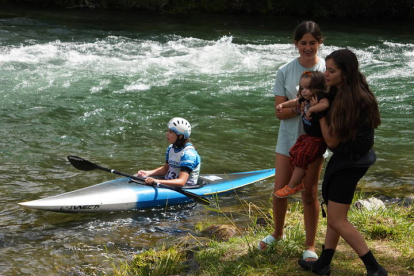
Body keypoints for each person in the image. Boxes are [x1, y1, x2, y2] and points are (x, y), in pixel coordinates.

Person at [298, 49, 387, 276]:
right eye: (326, 69)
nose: (325, 74)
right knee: (335, 213)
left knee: (338, 220)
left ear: (345, 74)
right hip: (356, 157)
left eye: (331, 70)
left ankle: (374, 268)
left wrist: (319, 115)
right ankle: (324, 264)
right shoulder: (351, 89)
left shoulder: (346, 102)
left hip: (350, 161)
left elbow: (332, 143)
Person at [258, 21, 325, 263]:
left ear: (320, 42)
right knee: (280, 191)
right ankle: (277, 233)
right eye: (303, 43)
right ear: (295, 44)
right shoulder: (285, 70)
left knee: (309, 194)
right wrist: (302, 107)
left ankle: (310, 246)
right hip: (287, 139)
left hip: (316, 142)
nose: (308, 48)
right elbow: (279, 112)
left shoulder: (328, 69)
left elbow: (335, 106)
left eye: (312, 43)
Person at [274, 71, 329, 198]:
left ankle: (292, 186)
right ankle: (297, 183)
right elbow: (295, 101)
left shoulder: (320, 97)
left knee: (302, 157)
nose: (304, 91)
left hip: (317, 139)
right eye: (302, 87)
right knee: (294, 152)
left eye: (308, 88)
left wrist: (311, 109)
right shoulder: (306, 98)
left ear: (317, 88)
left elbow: (325, 104)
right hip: (308, 137)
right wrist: (282, 105)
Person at [137, 117, 201, 188]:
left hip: (185, 188)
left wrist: (157, 181)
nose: (167, 134)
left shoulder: (188, 154)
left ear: (180, 136)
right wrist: (147, 173)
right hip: (169, 184)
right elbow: (166, 169)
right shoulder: (171, 148)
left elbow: (181, 182)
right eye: (167, 131)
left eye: (170, 132)